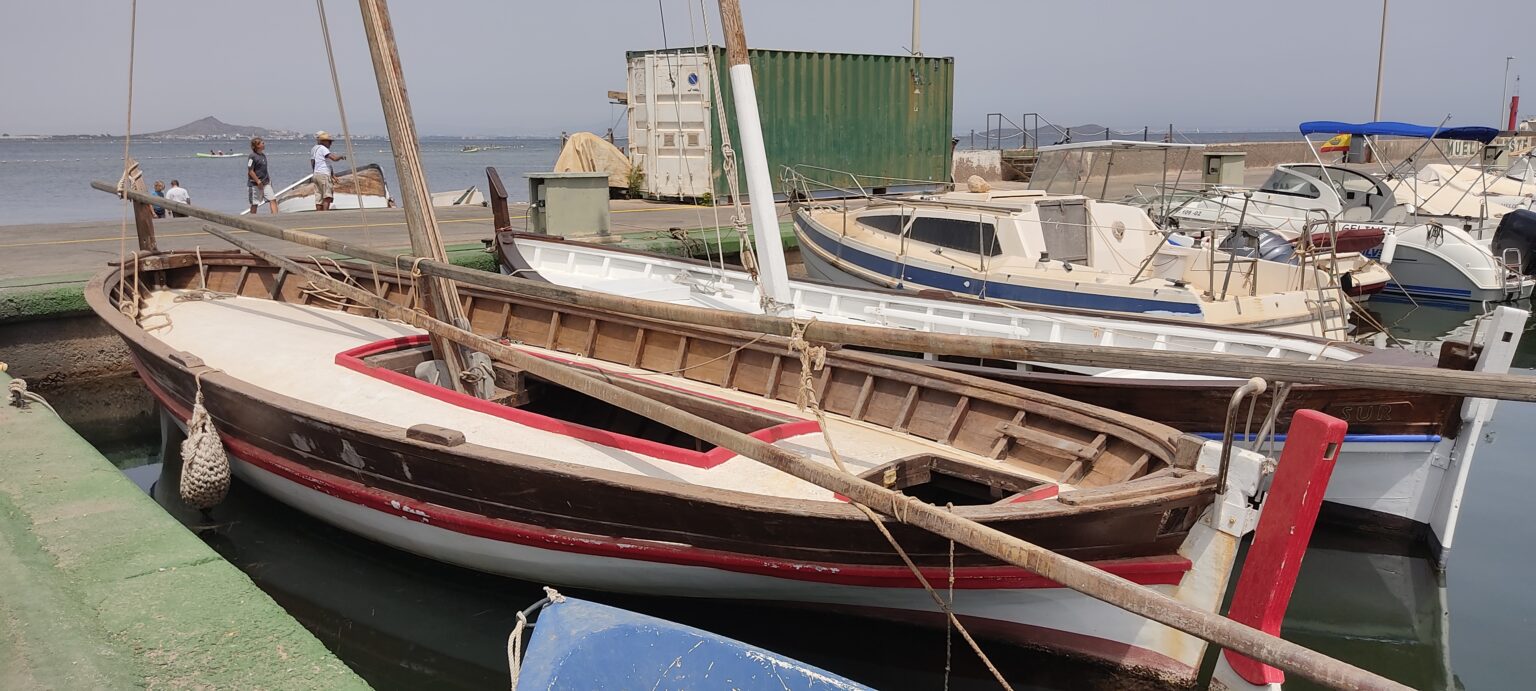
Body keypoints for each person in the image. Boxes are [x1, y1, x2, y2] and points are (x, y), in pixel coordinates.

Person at [310, 131, 345, 211]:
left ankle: (319, 214)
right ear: (323, 141)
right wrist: (341, 157)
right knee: (327, 196)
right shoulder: (323, 149)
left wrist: (332, 175)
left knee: (319, 196)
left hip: (316, 174)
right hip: (323, 174)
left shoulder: (314, 149)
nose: (330, 144)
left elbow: (313, 162)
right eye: (329, 141)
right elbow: (333, 158)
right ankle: (325, 213)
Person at [247, 137, 277, 214]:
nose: (264, 144)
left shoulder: (263, 155)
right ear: (257, 145)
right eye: (262, 143)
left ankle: (276, 217)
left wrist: (269, 180)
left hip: (266, 183)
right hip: (255, 184)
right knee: (255, 204)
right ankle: (252, 220)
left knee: (272, 199)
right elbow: (250, 171)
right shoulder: (252, 156)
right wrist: (258, 181)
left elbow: (264, 170)